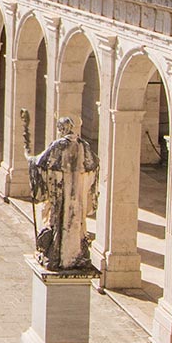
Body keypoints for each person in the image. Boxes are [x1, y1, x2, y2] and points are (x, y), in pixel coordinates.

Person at [26, 115, 99, 271]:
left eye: (60, 128)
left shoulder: (59, 145)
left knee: (58, 220)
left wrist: (30, 159)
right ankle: (76, 255)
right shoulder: (83, 145)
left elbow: (40, 162)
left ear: (62, 129)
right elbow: (94, 164)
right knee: (76, 222)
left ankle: (58, 255)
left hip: (61, 192)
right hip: (77, 193)